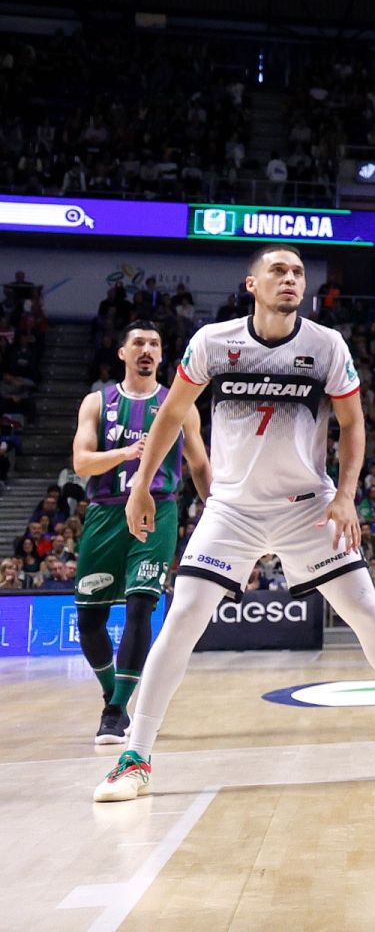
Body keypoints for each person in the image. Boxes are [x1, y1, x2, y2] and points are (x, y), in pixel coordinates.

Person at [94, 246, 375, 803]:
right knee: (183, 620)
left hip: (306, 507)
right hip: (233, 508)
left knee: (367, 612)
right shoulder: (213, 343)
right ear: (253, 284)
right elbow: (173, 414)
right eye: (278, 270)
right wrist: (143, 484)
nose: (290, 278)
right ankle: (136, 755)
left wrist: (346, 495)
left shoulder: (325, 345)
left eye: (298, 272)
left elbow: (352, 422)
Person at [70, 319, 212, 745]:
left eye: (154, 343)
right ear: (123, 353)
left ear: (162, 354)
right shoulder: (97, 402)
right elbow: (81, 463)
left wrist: (217, 510)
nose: (147, 350)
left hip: (158, 513)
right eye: (138, 343)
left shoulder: (179, 404)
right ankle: (114, 693)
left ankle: (116, 711)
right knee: (89, 618)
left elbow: (200, 465)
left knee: (140, 608)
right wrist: (124, 453)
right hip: (104, 514)